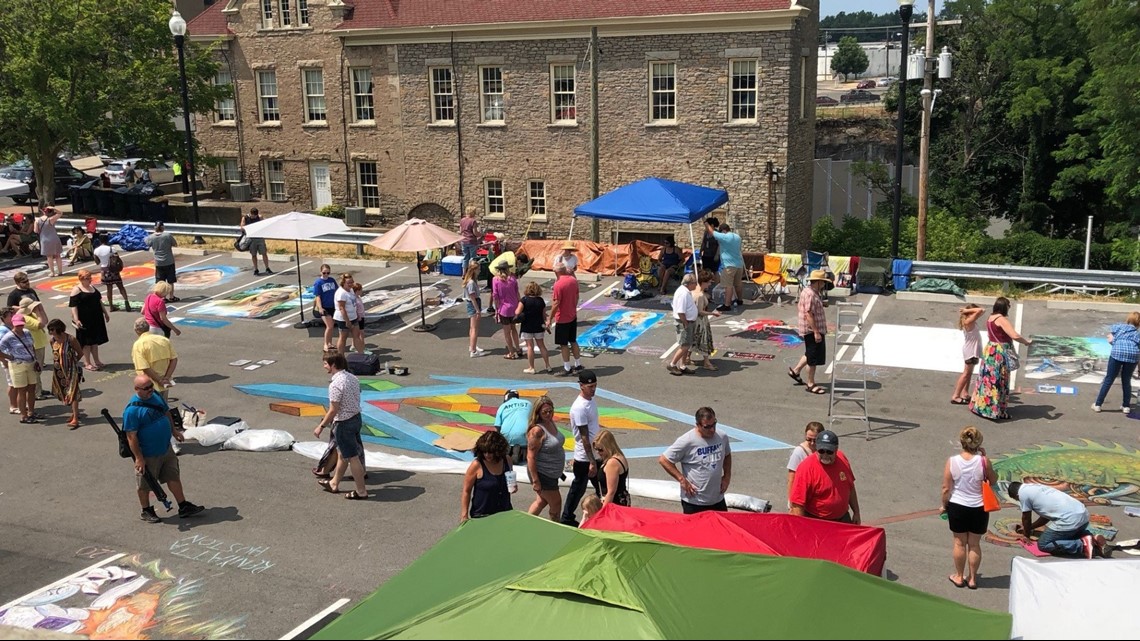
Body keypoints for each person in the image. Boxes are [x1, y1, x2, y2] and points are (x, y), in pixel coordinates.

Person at [122, 375, 205, 523]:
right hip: (148, 454)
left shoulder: (155, 396)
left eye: (151, 386)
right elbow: (131, 437)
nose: (150, 390)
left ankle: (183, 505)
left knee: (173, 476)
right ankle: (146, 510)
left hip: (165, 448)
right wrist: (139, 458)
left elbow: (166, 412)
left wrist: (174, 431)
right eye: (146, 388)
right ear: (136, 389)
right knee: (145, 484)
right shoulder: (132, 411)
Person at [940, 426, 997, 590]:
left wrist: (944, 505)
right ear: (979, 442)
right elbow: (993, 480)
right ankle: (972, 579)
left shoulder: (953, 461)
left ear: (961, 441)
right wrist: (985, 459)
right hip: (979, 507)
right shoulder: (983, 461)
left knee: (959, 543)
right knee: (974, 544)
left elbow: (946, 488)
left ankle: (959, 576)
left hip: (958, 506)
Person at [313, 353, 369, 500]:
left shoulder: (335, 385)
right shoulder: (353, 378)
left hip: (343, 423)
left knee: (352, 457)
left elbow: (333, 409)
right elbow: (358, 393)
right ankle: (334, 483)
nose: (324, 366)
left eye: (326, 363)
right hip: (356, 418)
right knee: (343, 454)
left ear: (333, 365)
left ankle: (361, 491)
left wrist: (321, 426)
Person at [659, 406, 732, 514]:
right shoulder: (687, 441)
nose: (712, 430)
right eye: (707, 427)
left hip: (717, 500)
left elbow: (727, 455)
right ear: (698, 425)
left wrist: (727, 476)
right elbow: (664, 460)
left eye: (714, 424)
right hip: (694, 502)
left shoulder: (722, 436)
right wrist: (682, 480)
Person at [970, 296, 1032, 421]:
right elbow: (1013, 335)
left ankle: (981, 406)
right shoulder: (1002, 319)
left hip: (990, 349)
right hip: (999, 352)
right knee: (1000, 380)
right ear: (1005, 307)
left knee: (986, 379)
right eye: (1008, 305)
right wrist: (1026, 342)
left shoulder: (990, 318)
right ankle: (997, 410)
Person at [1008, 481, 1108, 558]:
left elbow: (1026, 518)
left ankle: (1082, 545)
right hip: (1083, 515)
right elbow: (1045, 517)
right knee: (1067, 534)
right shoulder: (1035, 488)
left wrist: (1026, 535)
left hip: (1070, 520)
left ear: (1016, 496)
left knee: (1043, 544)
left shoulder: (1022, 495)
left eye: (1017, 500)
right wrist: (1030, 528)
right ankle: (1090, 537)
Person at [789, 429, 861, 523]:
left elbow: (850, 487)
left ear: (836, 449)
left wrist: (856, 512)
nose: (825, 455)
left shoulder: (842, 459)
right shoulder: (806, 468)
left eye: (829, 451)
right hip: (818, 522)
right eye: (821, 451)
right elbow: (797, 504)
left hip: (843, 519)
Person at [560, 369, 601, 526]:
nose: (593, 389)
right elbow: (584, 437)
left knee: (594, 487)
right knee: (579, 488)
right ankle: (567, 517)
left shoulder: (590, 401)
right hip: (585, 457)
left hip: (594, 454)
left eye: (595, 386)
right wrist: (591, 460)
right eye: (590, 387)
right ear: (581, 386)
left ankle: (569, 516)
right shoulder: (579, 408)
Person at [788, 269, 830, 395]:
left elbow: (805, 308)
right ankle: (811, 384)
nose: (823, 284)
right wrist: (816, 332)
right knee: (813, 357)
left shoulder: (808, 291)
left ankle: (795, 371)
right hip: (812, 329)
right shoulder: (811, 294)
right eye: (822, 282)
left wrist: (821, 304)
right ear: (817, 282)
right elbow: (809, 314)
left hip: (811, 329)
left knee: (810, 352)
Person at [525, 395, 565, 522]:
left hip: (552, 473)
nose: (548, 414)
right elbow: (530, 457)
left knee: (541, 501)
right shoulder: (537, 431)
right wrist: (536, 481)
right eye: (545, 412)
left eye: (550, 411)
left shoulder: (550, 423)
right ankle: (555, 526)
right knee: (556, 503)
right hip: (542, 474)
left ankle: (525, 523)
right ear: (538, 413)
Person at [460, 430, 513, 522]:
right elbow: (466, 491)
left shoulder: (507, 460)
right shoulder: (477, 465)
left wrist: (513, 486)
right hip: (482, 514)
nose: (487, 455)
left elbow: (510, 480)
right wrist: (464, 515)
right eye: (484, 451)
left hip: (505, 511)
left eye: (490, 452)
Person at [1093, 311, 1140, 413]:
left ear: (1128, 319)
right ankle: (1126, 406)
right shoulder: (1138, 334)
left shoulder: (1118, 327)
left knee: (1109, 379)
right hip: (1133, 355)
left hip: (1117, 353)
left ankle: (1098, 404)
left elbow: (1109, 339)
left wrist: (1115, 343)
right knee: (1126, 380)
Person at [0, 314, 40, 423]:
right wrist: (9, 357)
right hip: (17, 365)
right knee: (22, 390)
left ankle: (31, 412)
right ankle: (23, 416)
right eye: (17, 325)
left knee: (32, 388)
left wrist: (35, 359)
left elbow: (32, 346)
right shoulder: (8, 336)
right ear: (13, 324)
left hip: (31, 363)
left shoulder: (27, 332)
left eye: (21, 324)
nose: (20, 327)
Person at [69, 269, 109, 371]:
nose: (89, 280)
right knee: (86, 343)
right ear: (81, 279)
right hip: (84, 319)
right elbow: (74, 306)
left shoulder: (92, 287)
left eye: (90, 278)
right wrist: (76, 319)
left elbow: (99, 301)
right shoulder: (77, 289)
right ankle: (87, 362)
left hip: (96, 317)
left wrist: (105, 313)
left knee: (95, 341)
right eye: (87, 278)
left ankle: (97, 361)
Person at [47, 319, 84, 428]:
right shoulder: (52, 340)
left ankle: (76, 418)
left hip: (71, 370)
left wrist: (73, 363)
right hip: (59, 371)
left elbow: (80, 353)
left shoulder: (70, 339)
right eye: (50, 330)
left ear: (59, 329)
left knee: (73, 393)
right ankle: (74, 413)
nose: (51, 332)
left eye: (52, 329)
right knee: (65, 393)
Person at [131, 318, 178, 401]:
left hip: (148, 386)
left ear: (136, 330)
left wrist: (159, 380)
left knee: (151, 409)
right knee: (163, 407)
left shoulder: (138, 345)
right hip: (165, 382)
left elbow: (144, 367)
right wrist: (166, 377)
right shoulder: (164, 340)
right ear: (149, 327)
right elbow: (174, 359)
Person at [549, 265, 583, 375]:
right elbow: (577, 296)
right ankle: (578, 365)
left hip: (562, 318)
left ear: (556, 272)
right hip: (572, 315)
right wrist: (573, 306)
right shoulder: (573, 280)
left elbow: (556, 303)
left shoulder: (558, 284)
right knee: (573, 340)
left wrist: (550, 318)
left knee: (563, 344)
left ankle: (567, 368)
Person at [516, 281, 552, 374]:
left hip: (527, 326)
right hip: (539, 325)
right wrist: (547, 322)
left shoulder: (524, 300)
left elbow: (517, 312)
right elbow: (544, 315)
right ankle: (548, 365)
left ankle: (531, 367)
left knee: (530, 347)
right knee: (542, 346)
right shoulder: (540, 300)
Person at [689, 270, 722, 371]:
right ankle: (706, 362)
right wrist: (713, 313)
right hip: (700, 322)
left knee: (693, 340)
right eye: (709, 282)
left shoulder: (694, 291)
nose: (710, 284)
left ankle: (687, 357)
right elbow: (700, 312)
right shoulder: (699, 295)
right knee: (704, 340)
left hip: (693, 321)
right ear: (703, 282)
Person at [666, 273, 698, 376]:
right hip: (684, 322)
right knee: (684, 345)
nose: (696, 285)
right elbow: (680, 311)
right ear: (689, 283)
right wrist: (685, 323)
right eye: (695, 283)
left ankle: (682, 365)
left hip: (688, 321)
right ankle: (672, 364)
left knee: (687, 344)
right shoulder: (683, 294)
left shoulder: (685, 291)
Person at [17, 297, 49, 400]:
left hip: (39, 345)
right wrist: (38, 312)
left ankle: (39, 389)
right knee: (36, 370)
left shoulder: (30, 315)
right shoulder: (25, 317)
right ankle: (36, 393)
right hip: (35, 346)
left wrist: (40, 310)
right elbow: (41, 324)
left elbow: (45, 320)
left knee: (38, 370)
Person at [952, 304, 985, 404]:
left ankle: (965, 392)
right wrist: (966, 310)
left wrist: (966, 311)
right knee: (966, 373)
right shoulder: (968, 321)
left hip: (972, 349)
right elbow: (981, 310)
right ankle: (956, 396)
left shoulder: (970, 321)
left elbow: (981, 311)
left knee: (969, 373)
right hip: (971, 350)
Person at [786, 421, 823, 506]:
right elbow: (791, 479)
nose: (812, 443)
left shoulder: (824, 450)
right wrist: (790, 502)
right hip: (802, 496)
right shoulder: (798, 452)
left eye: (815, 440)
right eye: (809, 439)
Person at [711, 222, 744, 311]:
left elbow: (712, 232)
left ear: (724, 231)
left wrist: (706, 223)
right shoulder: (738, 237)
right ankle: (740, 300)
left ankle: (727, 305)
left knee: (728, 285)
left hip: (729, 265)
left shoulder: (725, 236)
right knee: (738, 284)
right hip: (739, 265)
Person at [491, 263, 522, 359]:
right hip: (514, 307)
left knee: (507, 332)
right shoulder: (512, 279)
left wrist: (496, 309)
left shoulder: (495, 280)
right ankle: (518, 348)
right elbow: (517, 293)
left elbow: (495, 296)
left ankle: (511, 352)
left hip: (503, 308)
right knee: (514, 329)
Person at [93, 235, 131, 311]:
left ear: (100, 241)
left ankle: (111, 306)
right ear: (107, 240)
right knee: (120, 286)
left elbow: (97, 262)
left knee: (109, 288)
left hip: (104, 270)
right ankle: (126, 302)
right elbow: (117, 258)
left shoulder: (96, 250)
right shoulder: (111, 249)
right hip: (113, 269)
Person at [494, 389, 532, 464]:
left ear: (506, 398)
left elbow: (497, 427)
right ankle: (521, 451)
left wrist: (498, 444)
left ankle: (509, 450)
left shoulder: (503, 406)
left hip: (507, 436)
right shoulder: (529, 404)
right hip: (525, 436)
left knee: (504, 441)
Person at [594, 430, 631, 507]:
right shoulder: (620, 456)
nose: (598, 452)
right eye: (596, 449)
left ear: (608, 447)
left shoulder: (612, 463)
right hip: (621, 500)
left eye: (600, 449)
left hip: (614, 504)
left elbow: (611, 492)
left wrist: (603, 512)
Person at [145, 222, 179, 302]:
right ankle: (171, 296)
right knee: (170, 280)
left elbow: (146, 244)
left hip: (158, 262)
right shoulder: (167, 236)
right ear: (163, 227)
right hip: (169, 261)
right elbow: (175, 244)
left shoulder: (151, 237)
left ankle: (162, 297)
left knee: (160, 281)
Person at [332, 273, 364, 355]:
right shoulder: (341, 293)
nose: (351, 284)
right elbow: (342, 308)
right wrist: (347, 321)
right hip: (343, 319)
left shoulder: (351, 290)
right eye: (349, 283)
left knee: (356, 336)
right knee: (343, 338)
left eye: (352, 282)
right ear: (343, 283)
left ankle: (361, 354)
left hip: (353, 317)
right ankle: (340, 357)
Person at [461, 262, 485, 357]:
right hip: (473, 304)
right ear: (474, 270)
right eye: (478, 269)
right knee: (474, 328)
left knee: (472, 328)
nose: (479, 271)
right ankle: (473, 351)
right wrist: (478, 310)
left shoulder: (472, 281)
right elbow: (472, 297)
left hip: (473, 303)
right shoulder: (471, 282)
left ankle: (472, 346)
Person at [312, 264, 338, 351]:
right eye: (324, 273)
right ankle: (326, 344)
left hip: (333, 306)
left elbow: (337, 291)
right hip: (324, 307)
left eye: (328, 273)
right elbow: (317, 296)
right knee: (329, 326)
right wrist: (320, 308)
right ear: (321, 272)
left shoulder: (332, 280)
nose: (326, 274)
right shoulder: (318, 283)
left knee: (331, 325)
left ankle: (330, 343)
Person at [34, 206, 65, 277]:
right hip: (54, 238)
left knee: (49, 256)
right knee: (57, 255)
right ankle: (60, 271)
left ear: (43, 211)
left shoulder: (37, 220)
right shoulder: (51, 219)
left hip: (45, 239)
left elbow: (36, 231)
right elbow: (60, 213)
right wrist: (54, 208)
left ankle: (52, 272)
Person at [241, 207, 272, 275]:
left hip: (260, 238)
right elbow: (242, 227)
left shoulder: (260, 217)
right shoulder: (245, 218)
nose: (254, 217)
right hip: (251, 239)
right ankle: (256, 269)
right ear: (250, 214)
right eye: (253, 216)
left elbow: (264, 225)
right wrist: (249, 228)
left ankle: (267, 268)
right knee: (253, 254)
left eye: (255, 216)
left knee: (264, 253)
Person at [458, 206, 480, 274]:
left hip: (463, 241)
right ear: (473, 213)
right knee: (473, 258)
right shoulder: (473, 221)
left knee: (465, 257)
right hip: (471, 241)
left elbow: (460, 231)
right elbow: (475, 233)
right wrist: (481, 234)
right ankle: (471, 273)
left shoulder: (462, 220)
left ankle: (464, 273)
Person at [351, 281, 369, 354]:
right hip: (359, 317)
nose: (362, 291)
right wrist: (358, 316)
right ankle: (362, 347)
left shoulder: (358, 297)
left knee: (357, 333)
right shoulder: (354, 299)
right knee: (361, 333)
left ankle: (353, 345)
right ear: (357, 291)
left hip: (361, 316)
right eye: (360, 290)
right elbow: (355, 308)